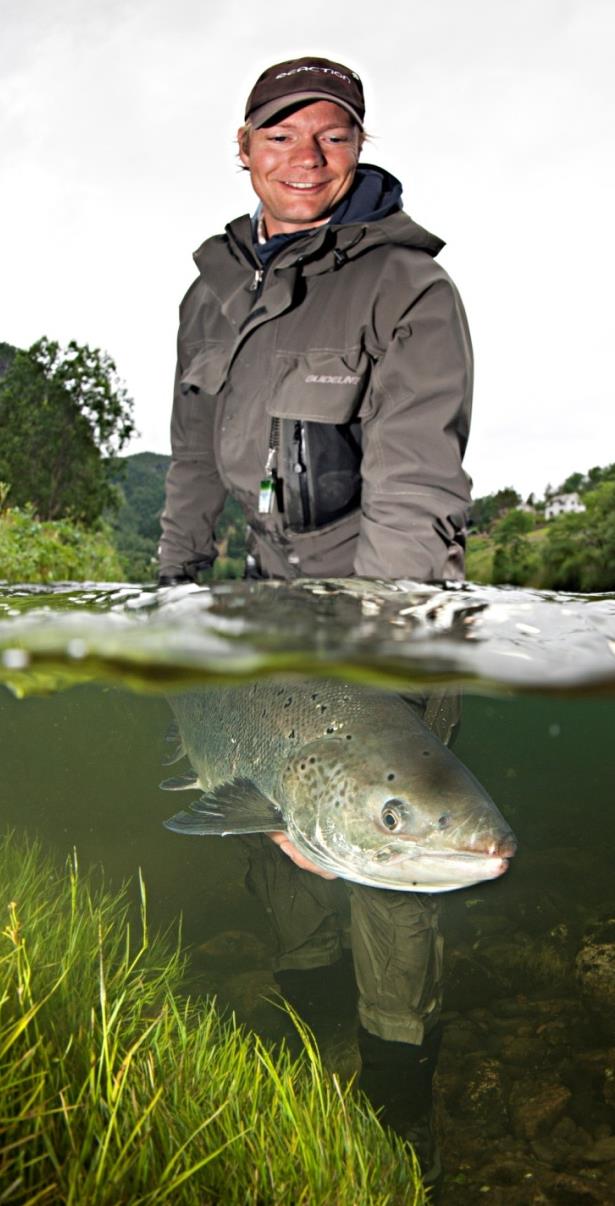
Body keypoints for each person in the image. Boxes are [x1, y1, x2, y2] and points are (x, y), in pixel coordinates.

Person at [159, 55, 473, 1189]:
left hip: (378, 612)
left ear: (360, 149)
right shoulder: (210, 291)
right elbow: (192, 460)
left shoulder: (411, 290)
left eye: (333, 136)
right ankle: (305, 1053)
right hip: (257, 609)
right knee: (281, 860)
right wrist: (177, 591)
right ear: (243, 148)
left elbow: (417, 477)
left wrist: (373, 654)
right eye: (282, 135)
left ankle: (398, 1118)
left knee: (391, 879)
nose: (308, 156)